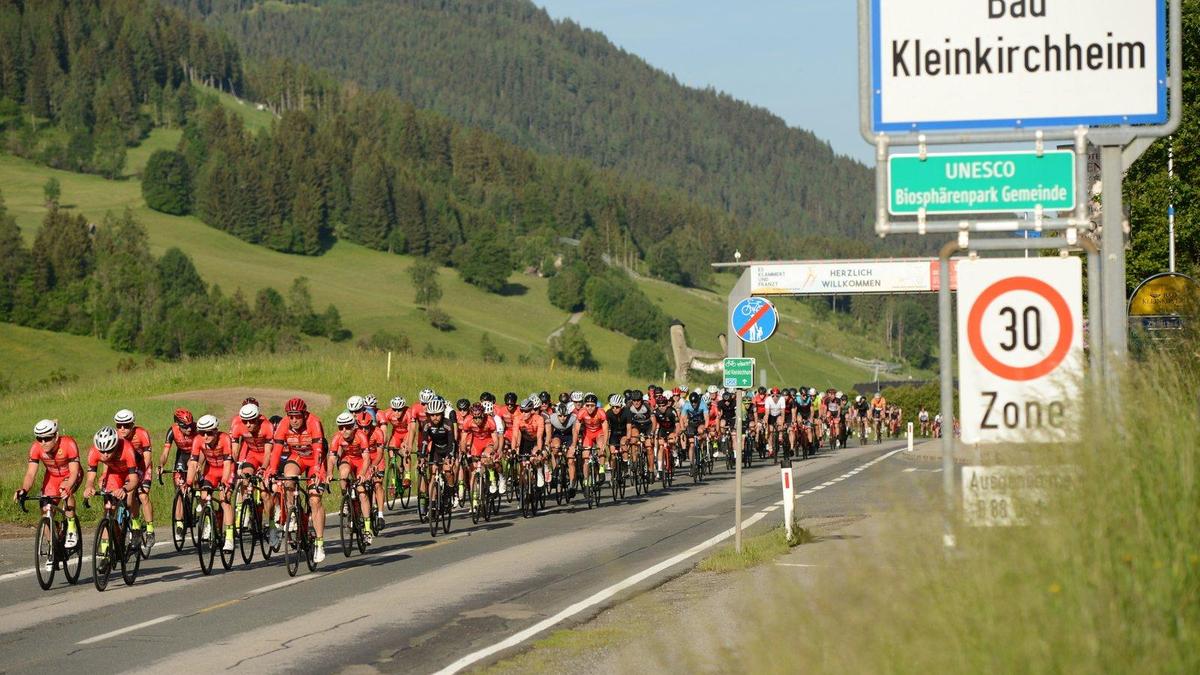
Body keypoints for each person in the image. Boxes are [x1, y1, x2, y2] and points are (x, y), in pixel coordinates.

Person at [268, 397, 328, 563]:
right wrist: (272, 469)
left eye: (297, 416)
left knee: (315, 500)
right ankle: (292, 512)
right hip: (299, 457)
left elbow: (318, 449)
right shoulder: (284, 424)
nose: (294, 420)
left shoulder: (314, 422)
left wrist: (317, 469)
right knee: (288, 479)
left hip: (316, 459)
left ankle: (319, 544)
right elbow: (277, 450)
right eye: (291, 416)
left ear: (304, 414)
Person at [15, 419, 82, 551]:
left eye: (47, 438)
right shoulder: (36, 448)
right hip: (52, 477)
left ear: (56, 436)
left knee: (65, 489)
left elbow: (74, 471)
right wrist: (24, 489)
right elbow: (30, 474)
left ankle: (71, 528)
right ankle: (53, 547)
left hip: (71, 474)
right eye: (39, 439)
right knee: (45, 509)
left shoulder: (69, 444)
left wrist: (68, 486)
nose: (43, 442)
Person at [83, 426, 141, 557]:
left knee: (130, 497)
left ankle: (136, 526)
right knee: (109, 508)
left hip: (132, 471)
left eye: (109, 450)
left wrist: (124, 489)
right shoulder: (94, 451)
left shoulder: (127, 449)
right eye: (102, 451)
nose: (105, 455)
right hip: (115, 472)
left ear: (115, 445)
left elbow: (133, 480)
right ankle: (105, 548)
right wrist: (89, 487)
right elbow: (90, 477)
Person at [186, 415, 235, 552]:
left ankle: (230, 537)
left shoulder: (224, 439)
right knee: (203, 496)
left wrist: (225, 482)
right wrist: (189, 482)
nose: (205, 436)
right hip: (211, 471)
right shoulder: (198, 440)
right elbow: (194, 463)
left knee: (224, 500)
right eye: (202, 433)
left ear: (215, 431)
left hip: (227, 470)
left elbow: (227, 463)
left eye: (209, 432)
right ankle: (209, 522)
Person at [229, 403, 276, 546]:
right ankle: (247, 505)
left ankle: (272, 525)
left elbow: (269, 452)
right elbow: (235, 452)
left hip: (266, 457)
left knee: (264, 494)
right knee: (244, 478)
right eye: (245, 421)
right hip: (252, 456)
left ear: (257, 418)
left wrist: (263, 469)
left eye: (251, 421)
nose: (248, 424)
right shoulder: (238, 427)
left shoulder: (267, 426)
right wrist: (233, 467)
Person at [329, 411, 375, 543]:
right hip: (348, 459)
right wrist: (329, 473)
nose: (344, 430)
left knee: (362, 493)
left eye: (347, 427)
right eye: (341, 427)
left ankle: (367, 529)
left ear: (353, 426)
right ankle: (346, 499)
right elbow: (332, 458)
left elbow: (366, 459)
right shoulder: (337, 437)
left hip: (361, 462)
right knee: (343, 475)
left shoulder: (361, 436)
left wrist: (362, 473)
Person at [114, 409, 155, 549]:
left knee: (143, 496)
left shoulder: (141, 434)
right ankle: (135, 526)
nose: (122, 429)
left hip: (143, 466)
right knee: (128, 497)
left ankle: (150, 530)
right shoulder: (115, 437)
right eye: (119, 425)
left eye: (126, 425)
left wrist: (141, 475)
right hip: (127, 469)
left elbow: (147, 457)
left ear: (132, 424)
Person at [157, 408, 198, 541]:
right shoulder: (172, 431)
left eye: (190, 425)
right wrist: (161, 465)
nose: (189, 429)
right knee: (179, 490)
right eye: (186, 427)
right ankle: (179, 524)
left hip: (195, 455)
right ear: (178, 425)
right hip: (181, 457)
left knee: (196, 477)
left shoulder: (197, 429)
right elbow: (165, 453)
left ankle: (198, 497)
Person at [572, 393, 609, 486]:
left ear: (596, 405)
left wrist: (604, 444)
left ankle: (601, 469)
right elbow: (576, 429)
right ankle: (585, 479)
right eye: (587, 405)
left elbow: (605, 429)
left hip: (599, 433)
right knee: (585, 457)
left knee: (601, 447)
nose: (589, 408)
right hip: (587, 434)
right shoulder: (582, 412)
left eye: (592, 406)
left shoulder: (600, 412)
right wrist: (573, 444)